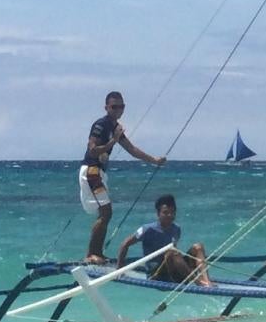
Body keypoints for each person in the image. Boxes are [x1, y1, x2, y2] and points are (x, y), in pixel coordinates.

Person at [80, 90, 165, 264]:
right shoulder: (101, 125)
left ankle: (97, 253)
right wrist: (112, 141)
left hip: (99, 172)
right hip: (92, 171)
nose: (118, 110)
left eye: (121, 106)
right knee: (106, 212)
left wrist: (154, 160)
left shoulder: (115, 128)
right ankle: (90, 254)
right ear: (106, 107)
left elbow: (132, 150)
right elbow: (92, 149)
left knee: (106, 213)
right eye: (114, 106)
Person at [115, 193, 210, 285]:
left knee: (198, 247)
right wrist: (120, 270)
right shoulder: (147, 229)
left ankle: (206, 281)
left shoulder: (176, 229)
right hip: (156, 274)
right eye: (165, 213)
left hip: (173, 271)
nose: (169, 215)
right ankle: (199, 283)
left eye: (172, 212)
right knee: (171, 253)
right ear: (158, 213)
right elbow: (125, 244)